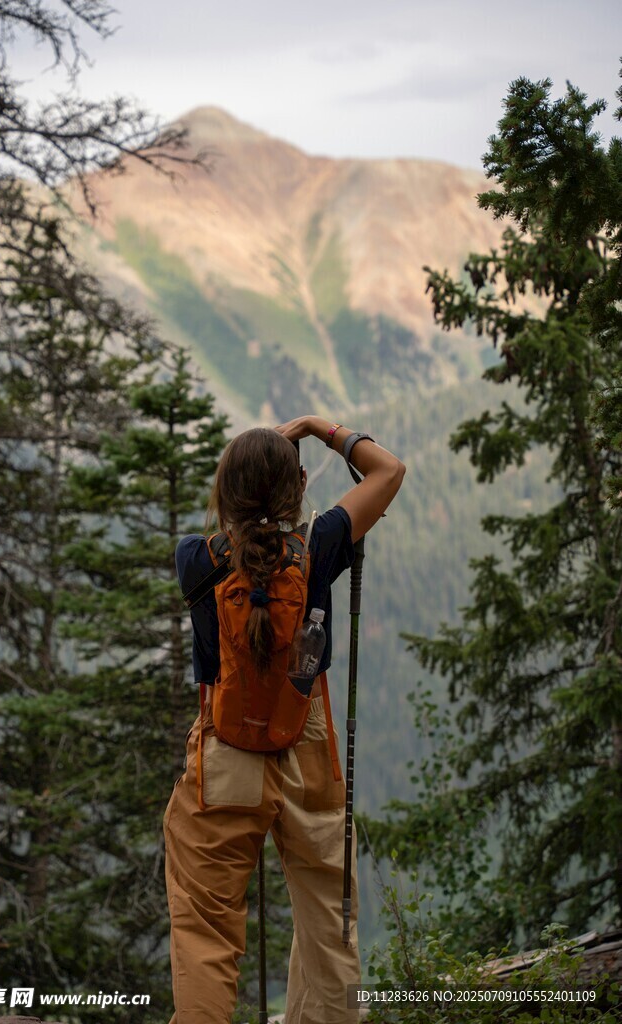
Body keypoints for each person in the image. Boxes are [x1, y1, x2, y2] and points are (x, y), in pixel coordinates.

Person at [164, 415, 406, 1024]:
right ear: (299, 487)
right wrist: (318, 428)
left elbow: (229, 537)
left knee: (205, 935)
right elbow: (389, 470)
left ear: (223, 495)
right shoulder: (319, 547)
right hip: (308, 754)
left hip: (223, 763)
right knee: (330, 926)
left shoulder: (195, 561)